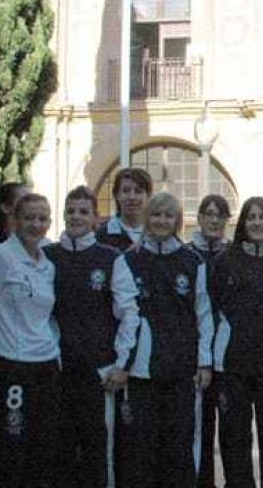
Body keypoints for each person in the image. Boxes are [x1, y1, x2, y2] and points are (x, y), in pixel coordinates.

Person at [113, 192, 214, 487]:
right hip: (141, 373)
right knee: (140, 450)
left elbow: (203, 315)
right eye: (156, 214)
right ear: (148, 218)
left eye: (168, 216)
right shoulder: (128, 260)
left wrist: (204, 362)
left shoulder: (193, 262)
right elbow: (125, 316)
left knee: (178, 449)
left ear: (177, 221)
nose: (161, 221)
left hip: (182, 372)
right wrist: (123, 363)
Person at [42, 186, 140, 488]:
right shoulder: (47, 256)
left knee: (98, 452)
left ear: (96, 218)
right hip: (57, 371)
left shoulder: (110, 258)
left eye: (83, 212)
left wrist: (122, 364)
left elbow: (129, 313)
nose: (76, 217)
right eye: (71, 211)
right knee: (58, 450)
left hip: (99, 373)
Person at [0, 193, 60, 487]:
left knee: (41, 449)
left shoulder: (47, 264)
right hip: (9, 366)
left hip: (45, 366)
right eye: (29, 217)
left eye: (42, 218)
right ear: (15, 220)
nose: (36, 224)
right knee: (7, 449)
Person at [207, 196, 263, 488]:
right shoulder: (223, 262)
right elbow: (211, 312)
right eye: (251, 217)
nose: (258, 223)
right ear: (243, 223)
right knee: (234, 438)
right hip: (232, 365)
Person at [186, 194, 232, 488]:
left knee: (231, 428)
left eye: (220, 215)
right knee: (199, 427)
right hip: (196, 352)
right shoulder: (187, 255)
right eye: (209, 214)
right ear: (200, 218)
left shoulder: (233, 255)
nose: (214, 220)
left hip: (227, 353)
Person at [96, 167, 152, 251]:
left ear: (148, 196)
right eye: (126, 191)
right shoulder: (101, 236)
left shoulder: (159, 233)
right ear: (116, 195)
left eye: (138, 191)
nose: (132, 197)